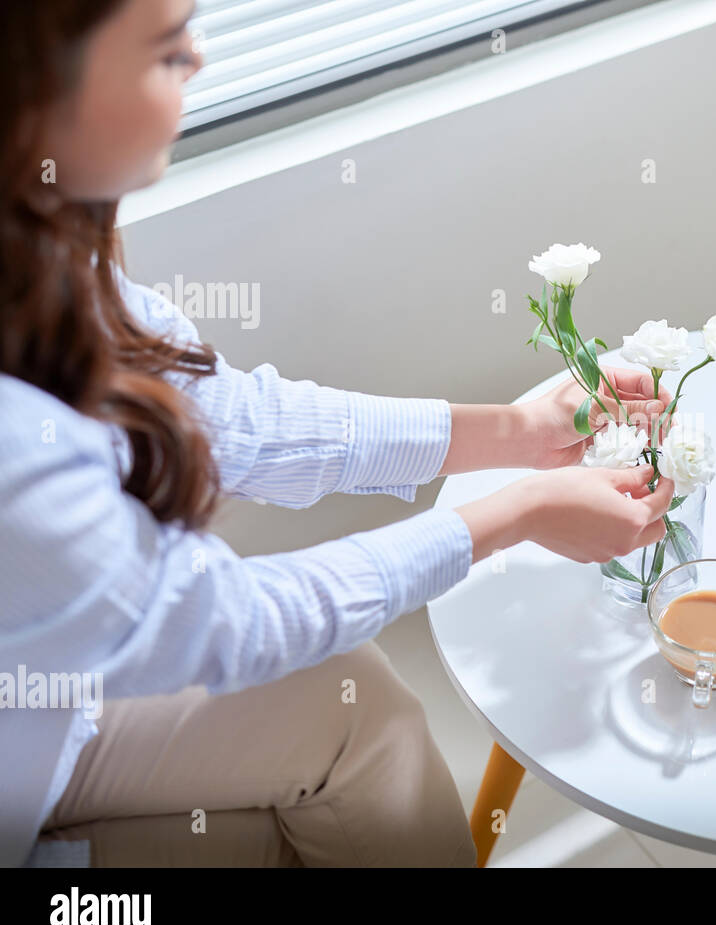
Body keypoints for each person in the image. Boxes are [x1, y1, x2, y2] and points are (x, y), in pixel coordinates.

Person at [0, 0, 675, 867]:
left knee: (369, 715)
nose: (199, 60)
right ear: (36, 92)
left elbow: (242, 421)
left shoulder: (45, 253)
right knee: (260, 845)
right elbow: (230, 623)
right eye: (168, 48)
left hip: (51, 702)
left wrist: (524, 430)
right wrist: (517, 513)